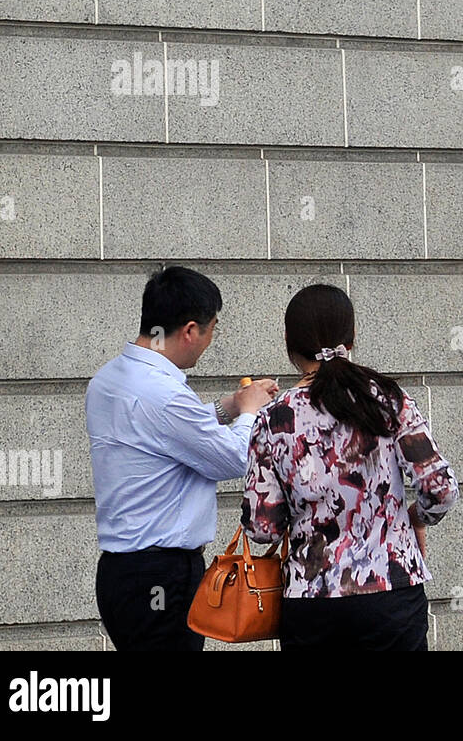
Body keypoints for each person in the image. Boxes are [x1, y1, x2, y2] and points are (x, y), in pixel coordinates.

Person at [241, 283, 459, 650]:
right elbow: (440, 490)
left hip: (311, 604)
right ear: (353, 336)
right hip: (391, 592)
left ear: (288, 342)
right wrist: (414, 519)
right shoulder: (390, 400)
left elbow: (262, 529)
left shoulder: (273, 418)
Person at [87, 266, 278, 650]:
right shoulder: (163, 394)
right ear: (191, 331)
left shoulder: (108, 379)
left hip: (121, 572)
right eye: (212, 329)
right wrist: (252, 412)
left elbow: (170, 436)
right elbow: (234, 458)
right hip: (161, 577)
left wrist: (230, 407)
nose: (210, 339)